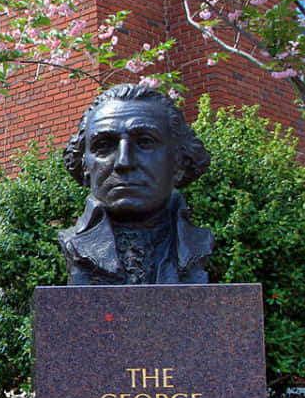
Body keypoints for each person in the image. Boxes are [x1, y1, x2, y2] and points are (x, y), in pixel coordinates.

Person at [59, 83, 214, 286]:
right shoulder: (74, 245)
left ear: (178, 160)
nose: (124, 161)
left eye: (145, 142)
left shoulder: (198, 244)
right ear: (85, 166)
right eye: (104, 146)